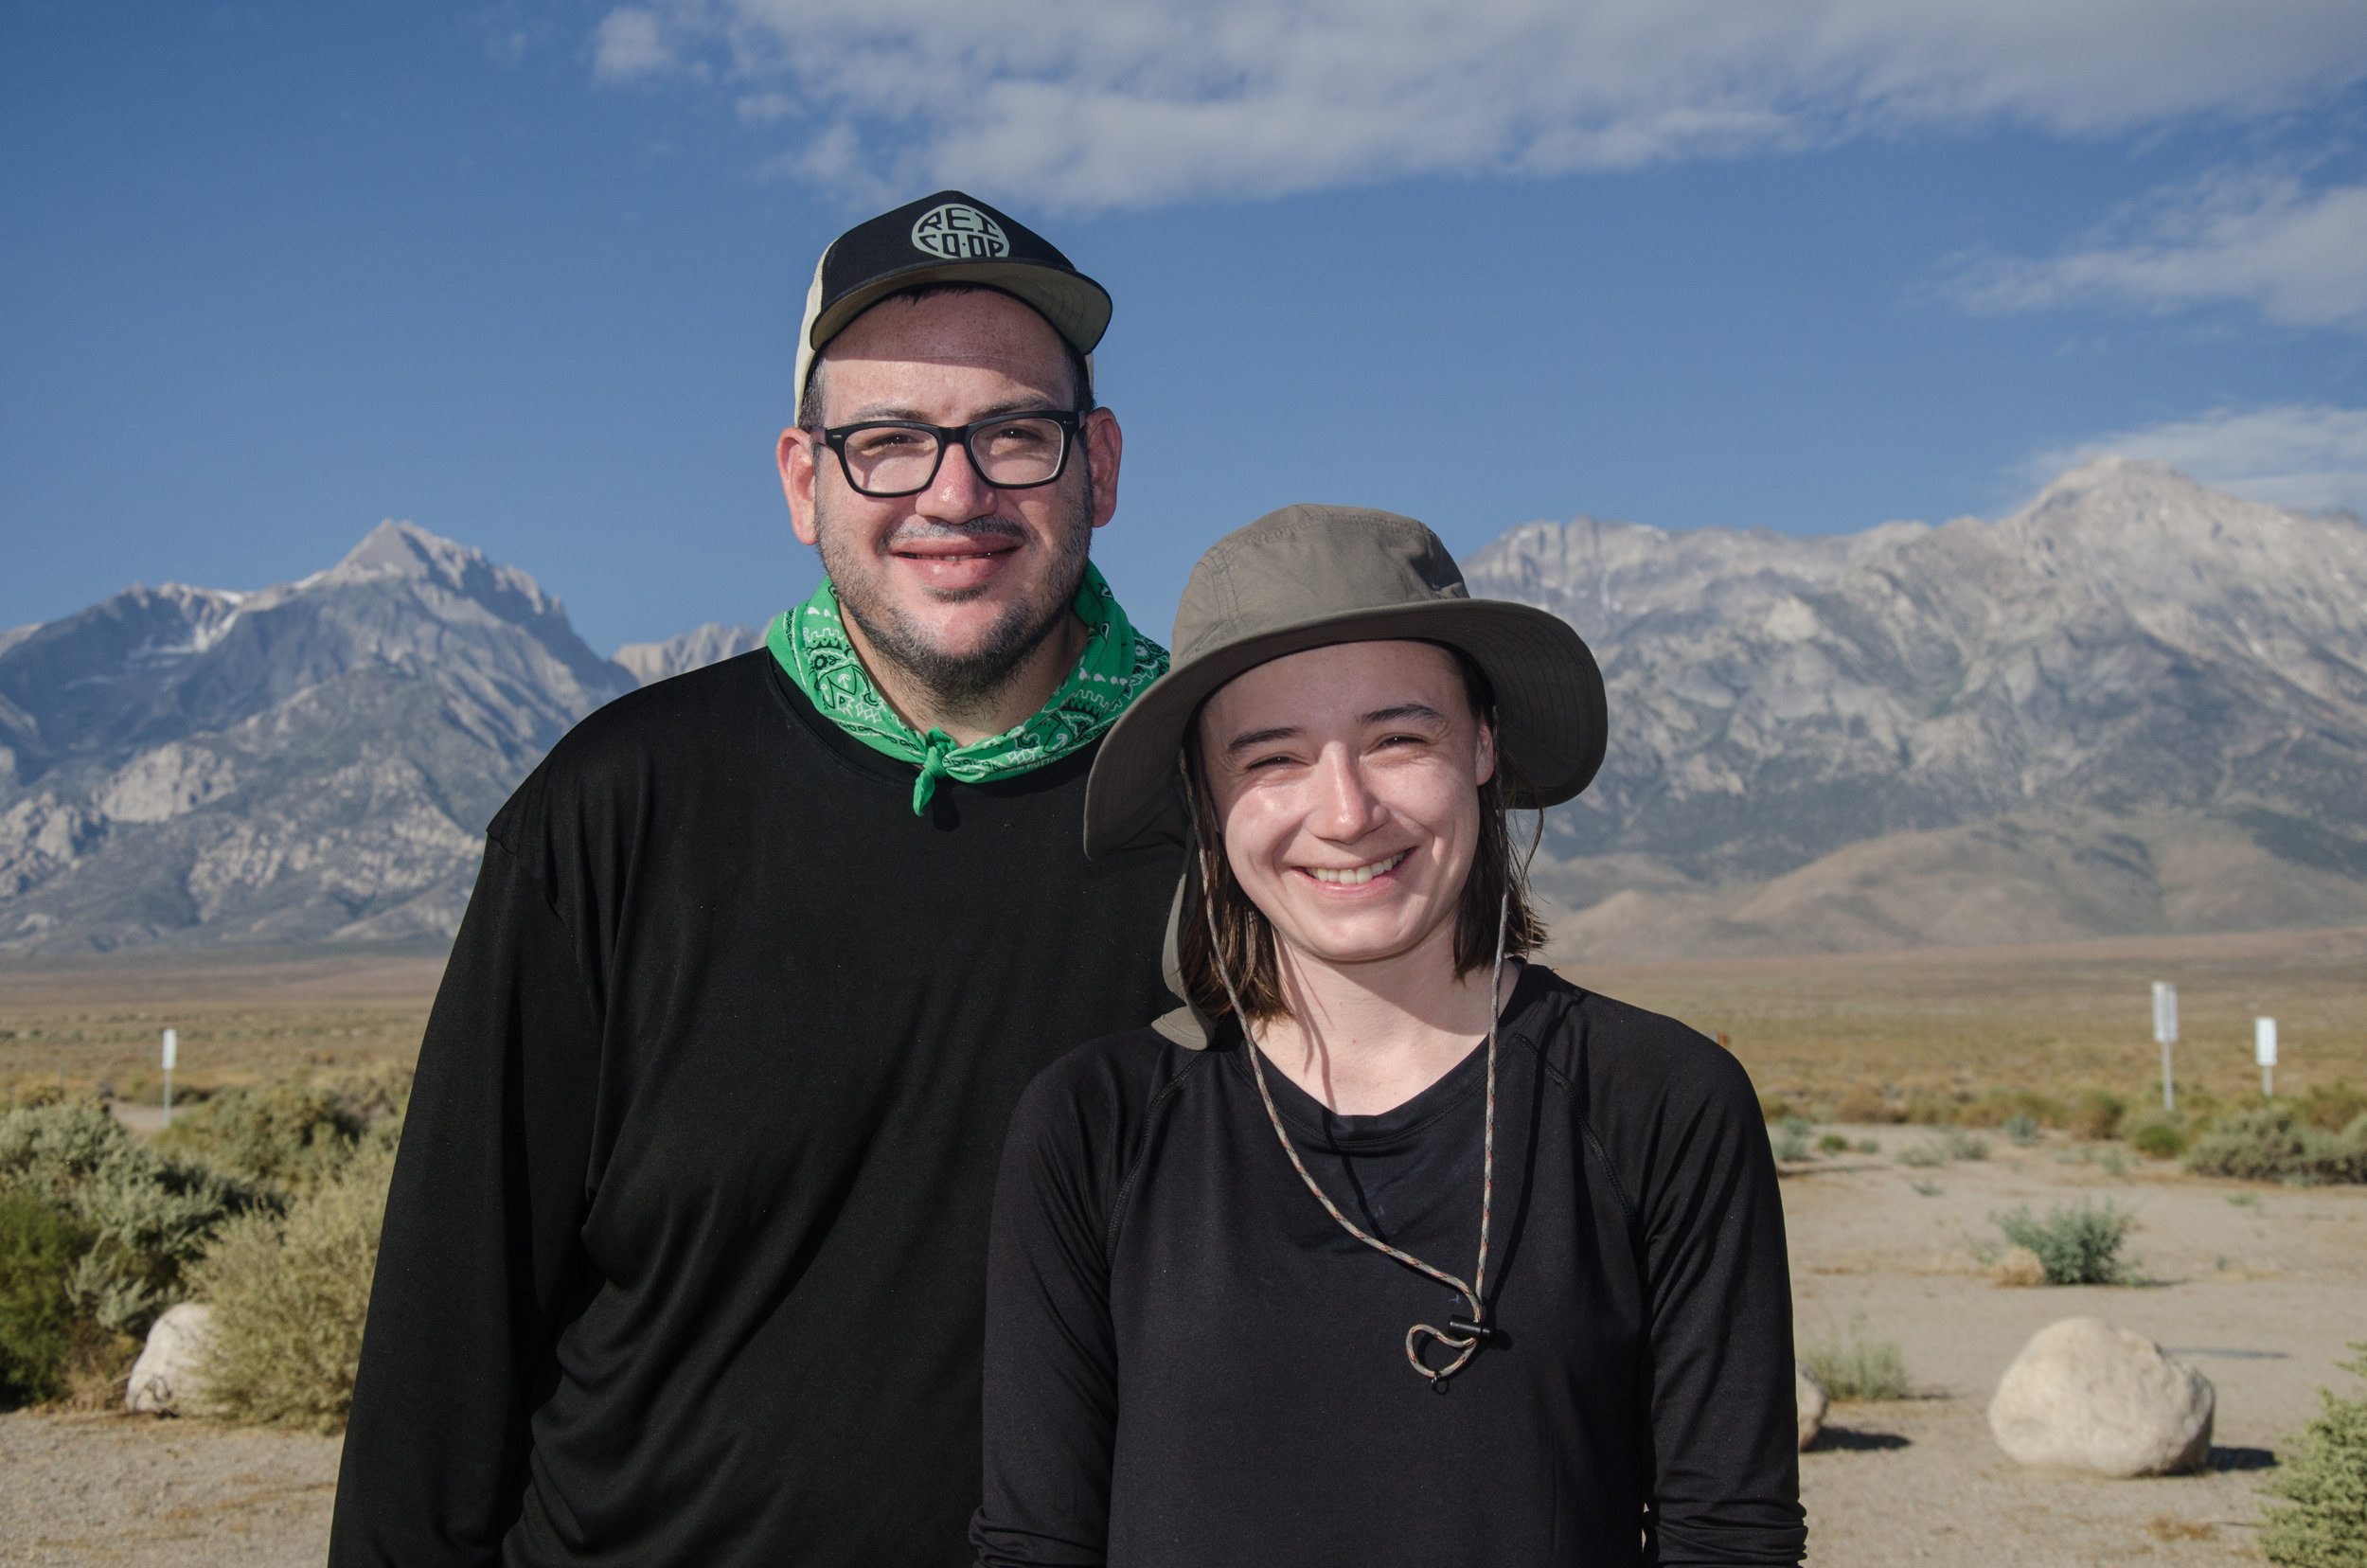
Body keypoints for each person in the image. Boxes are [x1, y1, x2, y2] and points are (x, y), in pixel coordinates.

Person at [330, 192, 1184, 1566]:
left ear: (1102, 463)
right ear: (803, 481)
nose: (952, 494)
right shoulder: (614, 808)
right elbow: (447, 1334)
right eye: (887, 443)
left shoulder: (1228, 820)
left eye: (1013, 434)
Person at [972, 505, 1806, 1567]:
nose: (1346, 810)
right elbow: (1033, 1544)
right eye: (1271, 758)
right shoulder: (1096, 1125)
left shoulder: (1661, 1102)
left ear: (1484, 747)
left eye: (1397, 738)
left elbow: (1729, 1537)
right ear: (1206, 800)